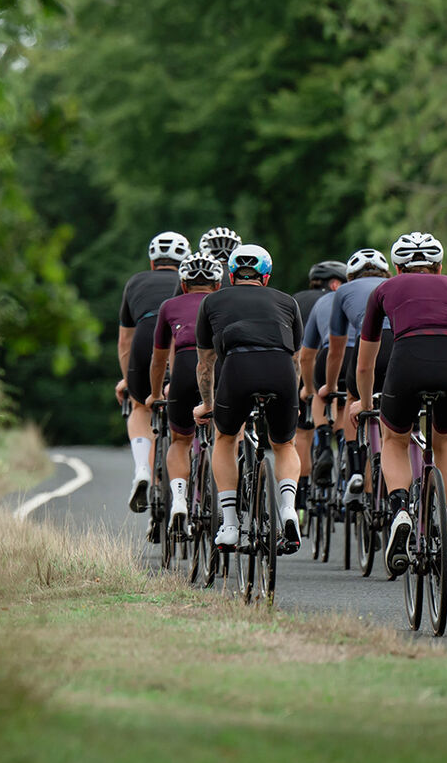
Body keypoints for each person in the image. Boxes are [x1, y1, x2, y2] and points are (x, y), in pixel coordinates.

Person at [354, 231, 447, 578]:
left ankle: (400, 511)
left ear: (397, 267)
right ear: (439, 266)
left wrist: (366, 406)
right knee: (446, 440)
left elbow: (365, 365)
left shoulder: (384, 290)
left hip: (407, 363)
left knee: (394, 438)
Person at [191, 244, 305, 555]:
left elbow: (205, 363)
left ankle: (229, 524)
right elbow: (296, 360)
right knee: (284, 444)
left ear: (229, 276)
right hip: (281, 372)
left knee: (226, 438)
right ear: (265, 278)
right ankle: (288, 508)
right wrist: (290, 397)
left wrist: (208, 404)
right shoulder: (288, 301)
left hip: (237, 371)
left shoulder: (211, 302)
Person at [147, 253, 222, 537]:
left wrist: (154, 394)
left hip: (183, 367)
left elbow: (157, 359)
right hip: (218, 369)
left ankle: (179, 498)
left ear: (183, 282)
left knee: (180, 440)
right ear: (217, 284)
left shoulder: (169, 306)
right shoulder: (221, 302)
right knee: (226, 437)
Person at [115, 230, 189, 511]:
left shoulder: (135, 282)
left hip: (145, 340)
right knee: (184, 422)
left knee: (141, 406)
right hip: (178, 341)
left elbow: (125, 341)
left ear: (152, 262)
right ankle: (183, 491)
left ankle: (142, 469)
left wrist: (129, 380)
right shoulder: (185, 284)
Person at [321, 247, 393, 505]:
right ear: (386, 272)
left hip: (367, 347)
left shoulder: (343, 292)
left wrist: (329, 386)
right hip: (401, 347)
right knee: (397, 408)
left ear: (350, 276)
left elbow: (336, 349)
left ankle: (354, 470)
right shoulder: (393, 285)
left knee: (355, 396)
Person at [292, 260, 346, 492]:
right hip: (340, 360)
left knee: (303, 432)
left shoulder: (295, 299)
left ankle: (301, 499)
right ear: (335, 284)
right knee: (344, 406)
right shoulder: (338, 298)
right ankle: (346, 457)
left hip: (301, 366)